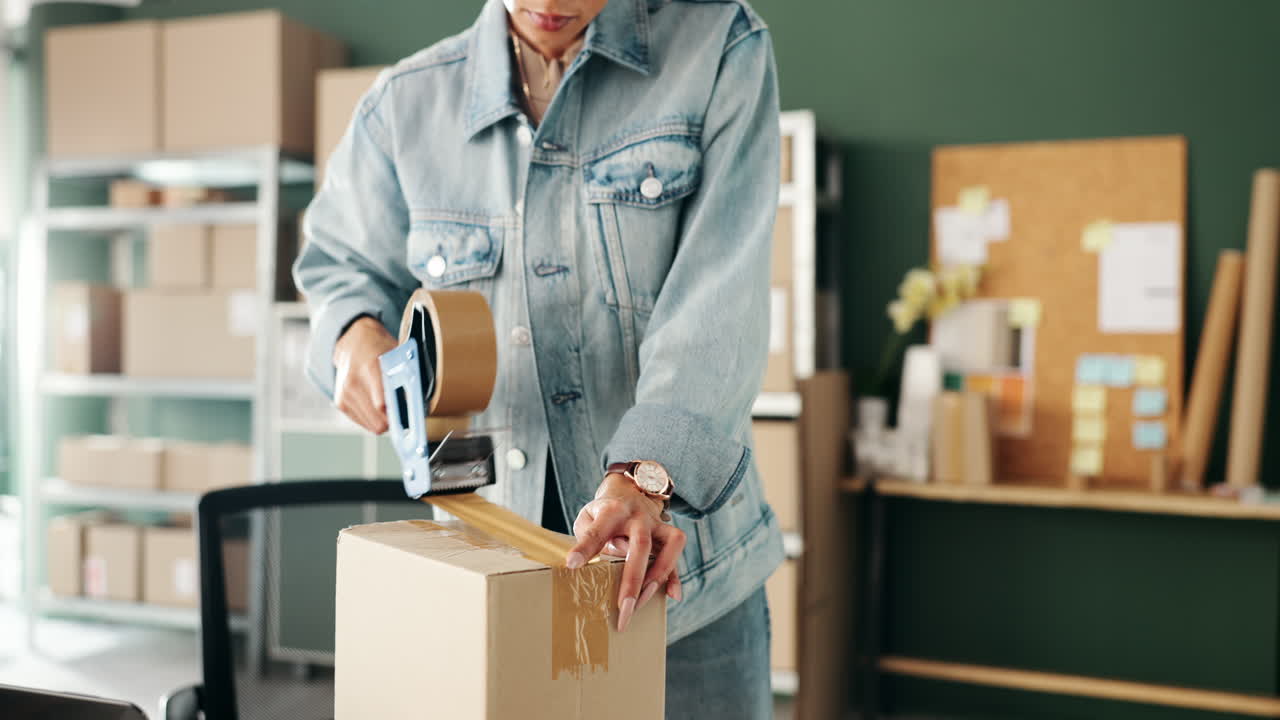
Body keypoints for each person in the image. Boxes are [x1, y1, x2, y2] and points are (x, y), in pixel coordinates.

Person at [295, 0, 783, 716]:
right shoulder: (402, 105)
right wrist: (352, 335)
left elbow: (719, 301)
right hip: (491, 580)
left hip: (682, 591)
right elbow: (338, 267)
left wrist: (644, 479)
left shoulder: (720, 47)